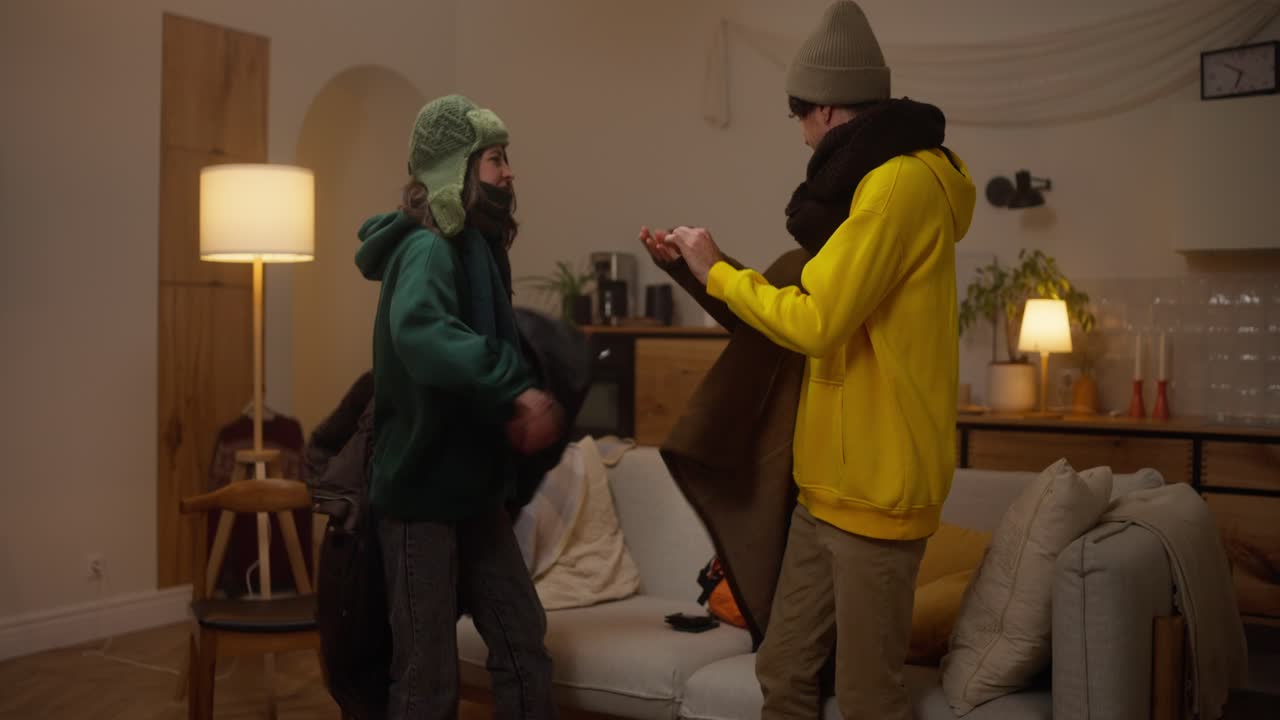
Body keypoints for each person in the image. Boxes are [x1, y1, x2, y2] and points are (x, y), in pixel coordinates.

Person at [640, 2, 976, 718]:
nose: (800, 135)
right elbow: (807, 295)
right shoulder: (870, 183)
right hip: (828, 493)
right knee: (785, 673)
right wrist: (700, 269)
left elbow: (817, 318)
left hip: (878, 497)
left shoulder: (898, 185)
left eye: (798, 116)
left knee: (865, 699)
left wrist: (719, 274)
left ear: (824, 110)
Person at [355, 94, 561, 720]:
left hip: (471, 490)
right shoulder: (427, 251)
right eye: (496, 159)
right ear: (459, 172)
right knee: (427, 678)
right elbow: (421, 335)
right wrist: (513, 387)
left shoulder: (473, 248)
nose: (508, 173)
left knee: (522, 638)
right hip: (421, 492)